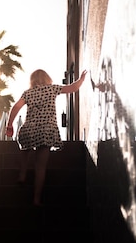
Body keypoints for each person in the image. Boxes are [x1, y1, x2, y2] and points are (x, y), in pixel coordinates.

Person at [6, 68, 88, 205]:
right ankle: (36, 199)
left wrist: (9, 125)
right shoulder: (52, 89)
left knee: (24, 150)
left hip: (29, 129)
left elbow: (15, 108)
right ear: (47, 79)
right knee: (40, 167)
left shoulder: (28, 93)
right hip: (46, 131)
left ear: (32, 81)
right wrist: (81, 79)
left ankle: (22, 174)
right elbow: (72, 88)